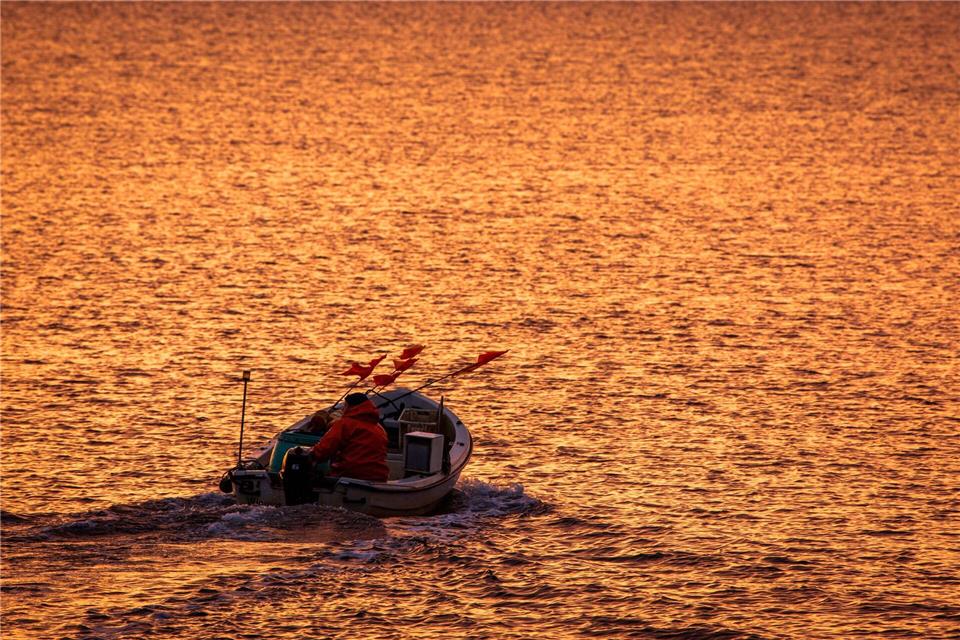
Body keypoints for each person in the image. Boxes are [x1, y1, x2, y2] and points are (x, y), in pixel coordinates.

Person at [308, 392, 388, 482]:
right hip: (379, 477)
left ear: (351, 407)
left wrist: (310, 453)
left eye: (344, 406)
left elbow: (325, 449)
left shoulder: (344, 424)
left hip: (349, 475)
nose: (342, 409)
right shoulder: (379, 428)